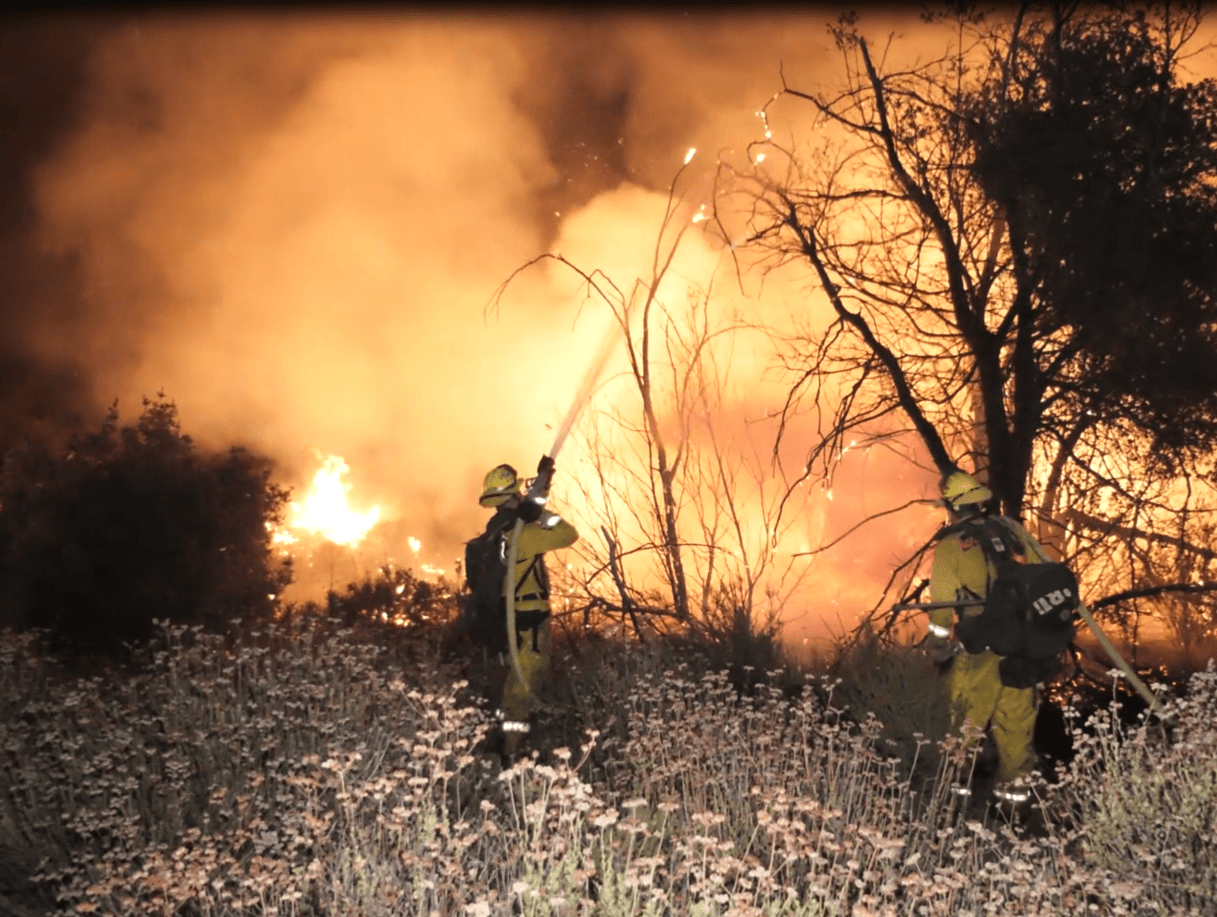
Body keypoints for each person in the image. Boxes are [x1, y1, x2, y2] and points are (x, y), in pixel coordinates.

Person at [925, 468, 1078, 806]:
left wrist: (936, 645)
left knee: (962, 728)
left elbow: (941, 606)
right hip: (1023, 647)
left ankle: (951, 804)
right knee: (1017, 729)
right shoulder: (1012, 534)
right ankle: (1014, 805)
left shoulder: (951, 547)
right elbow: (1042, 577)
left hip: (979, 650)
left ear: (952, 507)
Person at [476, 459, 578, 760]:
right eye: (518, 493)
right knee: (523, 684)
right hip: (529, 617)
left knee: (513, 682)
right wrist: (543, 514)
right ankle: (511, 752)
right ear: (512, 496)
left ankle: (502, 736)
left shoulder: (496, 532)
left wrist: (540, 491)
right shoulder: (523, 535)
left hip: (508, 618)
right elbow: (568, 534)